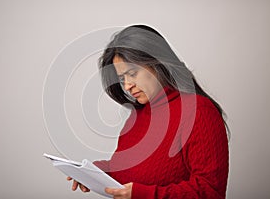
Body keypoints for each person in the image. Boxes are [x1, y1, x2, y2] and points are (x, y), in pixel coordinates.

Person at [67, 24, 229, 199]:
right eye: (122, 78)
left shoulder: (199, 112)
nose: (127, 86)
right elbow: (130, 174)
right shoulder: (137, 117)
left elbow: (211, 191)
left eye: (133, 73)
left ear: (157, 63)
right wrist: (96, 173)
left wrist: (142, 194)